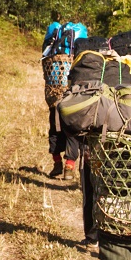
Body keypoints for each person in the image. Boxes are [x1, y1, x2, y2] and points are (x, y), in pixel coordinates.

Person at [42, 21, 86, 178]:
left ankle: (56, 164)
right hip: (72, 94)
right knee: (72, 128)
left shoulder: (51, 47)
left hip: (53, 92)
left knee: (54, 127)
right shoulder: (79, 46)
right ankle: (69, 166)